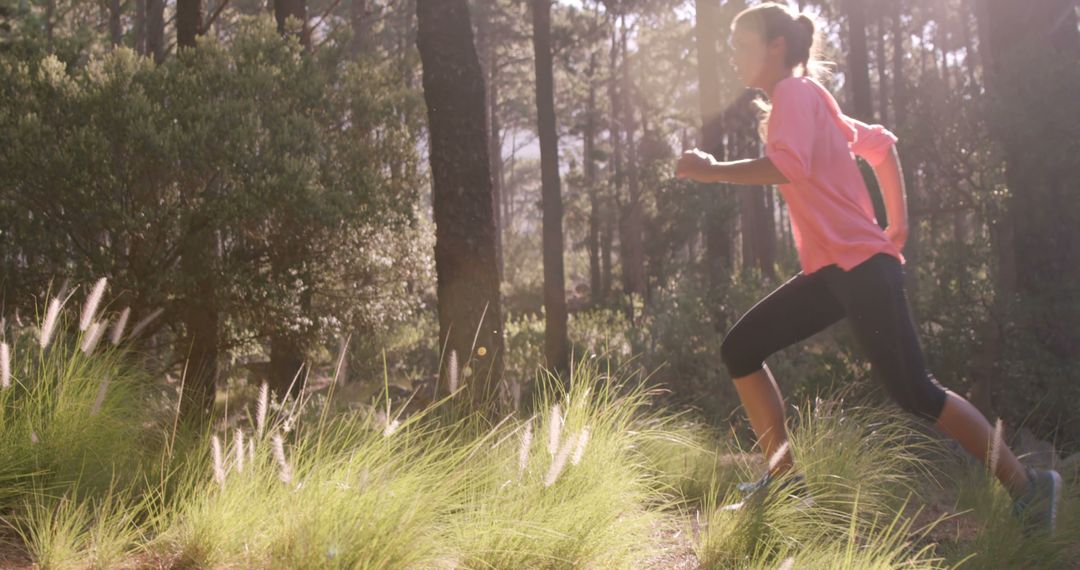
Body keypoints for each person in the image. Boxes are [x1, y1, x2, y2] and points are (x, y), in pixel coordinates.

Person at [674, 2, 1061, 536]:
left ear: (776, 47)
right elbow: (880, 146)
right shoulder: (810, 99)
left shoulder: (793, 94)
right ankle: (785, 481)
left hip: (859, 269)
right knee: (741, 349)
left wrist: (714, 172)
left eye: (741, 45)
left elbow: (790, 166)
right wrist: (897, 224)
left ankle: (1029, 488)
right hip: (837, 270)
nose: (733, 57)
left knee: (918, 392)